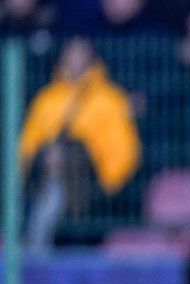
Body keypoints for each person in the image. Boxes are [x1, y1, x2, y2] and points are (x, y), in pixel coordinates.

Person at [19, 37, 141, 249]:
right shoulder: (46, 99)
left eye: (80, 53)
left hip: (93, 183)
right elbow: (28, 146)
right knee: (54, 163)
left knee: (67, 155)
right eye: (71, 52)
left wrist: (106, 182)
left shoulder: (110, 99)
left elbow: (123, 150)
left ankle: (38, 241)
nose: (75, 58)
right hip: (46, 177)